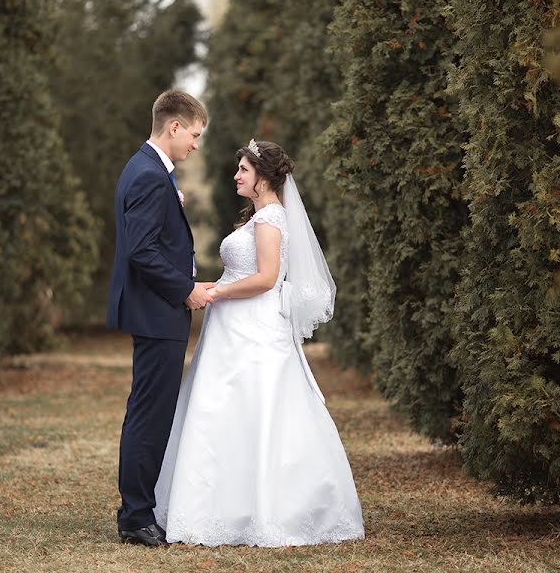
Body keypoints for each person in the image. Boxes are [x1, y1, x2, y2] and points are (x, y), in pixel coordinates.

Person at [153, 139, 365, 547]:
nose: (236, 176)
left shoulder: (271, 219)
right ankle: (219, 507)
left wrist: (215, 293)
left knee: (257, 407)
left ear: (264, 178)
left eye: (244, 170)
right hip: (233, 326)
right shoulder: (261, 217)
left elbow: (267, 279)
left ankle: (264, 509)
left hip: (252, 327)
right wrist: (215, 289)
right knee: (224, 410)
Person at [106, 89, 217, 548]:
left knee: (148, 412)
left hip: (154, 312)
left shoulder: (148, 170)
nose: (195, 144)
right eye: (193, 134)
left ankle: (137, 509)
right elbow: (142, 250)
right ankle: (135, 516)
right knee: (150, 416)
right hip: (158, 312)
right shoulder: (152, 176)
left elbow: (151, 236)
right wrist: (185, 289)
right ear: (173, 127)